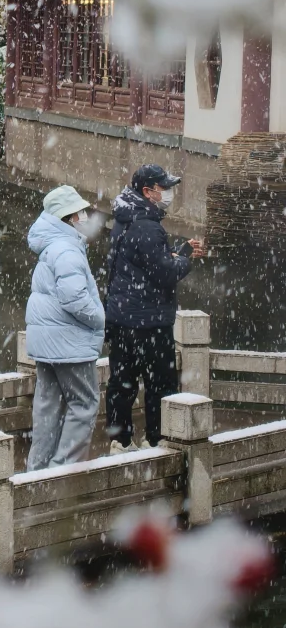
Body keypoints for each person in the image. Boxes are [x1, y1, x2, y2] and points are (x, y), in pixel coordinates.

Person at [104, 165, 207, 452]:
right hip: (147, 322)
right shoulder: (148, 226)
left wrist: (179, 251)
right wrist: (185, 261)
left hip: (122, 316)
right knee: (159, 384)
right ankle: (157, 440)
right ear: (148, 192)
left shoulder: (126, 218)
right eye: (164, 188)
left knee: (121, 383)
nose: (169, 194)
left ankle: (120, 441)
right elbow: (164, 273)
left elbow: (146, 260)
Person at [25, 185, 106, 471]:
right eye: (79, 213)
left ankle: (38, 470)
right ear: (67, 218)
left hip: (47, 343)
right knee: (83, 403)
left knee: (47, 405)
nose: (84, 217)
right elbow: (75, 300)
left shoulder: (50, 247)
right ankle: (62, 471)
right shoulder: (67, 250)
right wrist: (99, 318)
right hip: (69, 344)